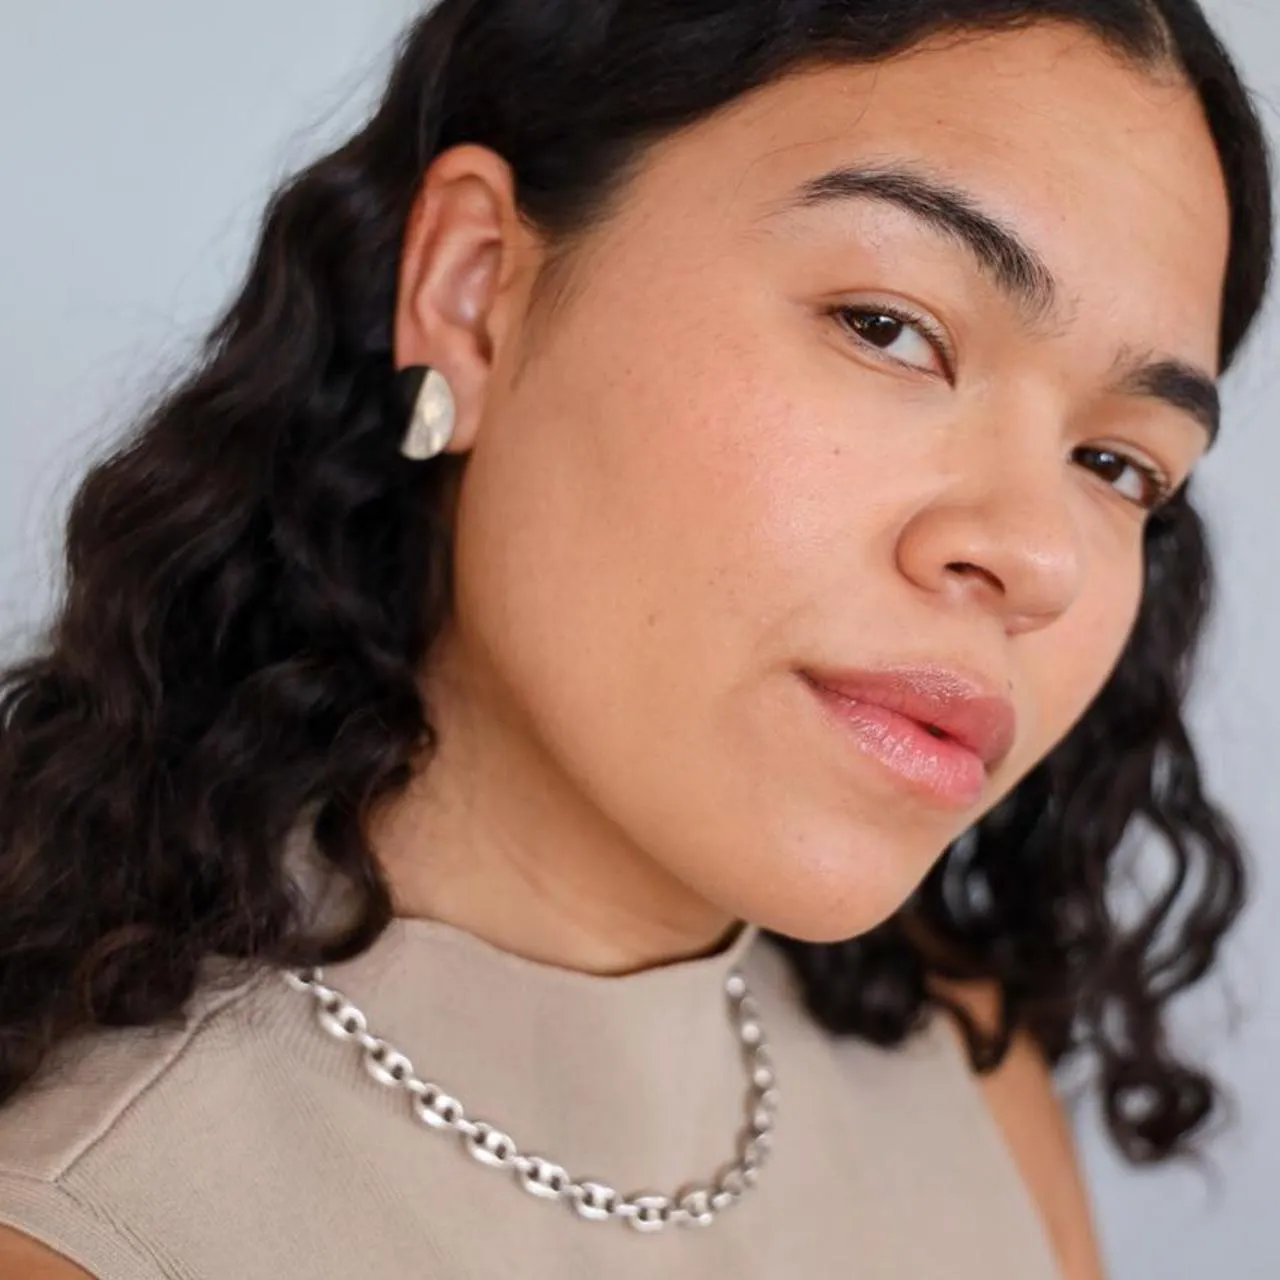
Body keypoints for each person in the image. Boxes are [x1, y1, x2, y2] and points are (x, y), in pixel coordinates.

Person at [0, 0, 1272, 1276]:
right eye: (886, 326)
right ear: (474, 286)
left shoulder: (958, 1059)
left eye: (1115, 462)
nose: (1038, 554)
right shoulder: (98, 1230)